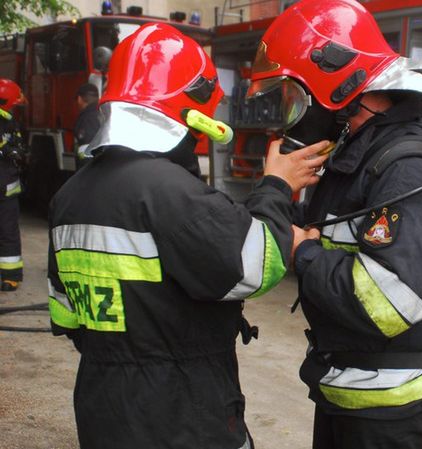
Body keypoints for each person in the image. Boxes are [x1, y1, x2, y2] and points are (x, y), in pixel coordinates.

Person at [47, 23, 326, 449]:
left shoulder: (69, 196)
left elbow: (67, 317)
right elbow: (256, 266)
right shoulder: (170, 193)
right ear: (191, 110)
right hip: (183, 416)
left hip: (102, 409)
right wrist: (276, 187)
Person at [246, 1, 422, 448]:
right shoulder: (358, 155)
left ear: (338, 86)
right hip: (350, 386)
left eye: (296, 95)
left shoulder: (406, 169)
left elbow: (389, 300)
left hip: (386, 407)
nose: (295, 113)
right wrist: (277, 190)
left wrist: (303, 254)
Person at [0, 79, 27, 292]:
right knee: (8, 232)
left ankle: (10, 275)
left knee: (8, 231)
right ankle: (10, 277)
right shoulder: (7, 123)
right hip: (6, 189)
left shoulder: (9, 122)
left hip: (7, 188)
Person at [73, 83, 102, 168]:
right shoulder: (103, 113)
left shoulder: (87, 118)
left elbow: (85, 149)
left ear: (79, 99)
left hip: (89, 168)